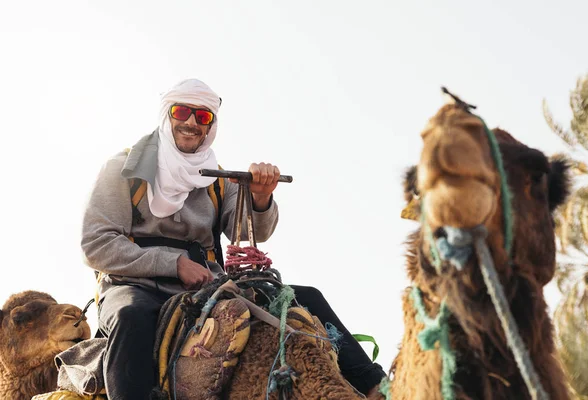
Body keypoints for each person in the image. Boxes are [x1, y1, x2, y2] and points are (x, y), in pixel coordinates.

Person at [81, 78, 385, 400]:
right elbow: (97, 243)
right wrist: (174, 264)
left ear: (210, 125)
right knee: (132, 318)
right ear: (166, 115)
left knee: (306, 297)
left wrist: (261, 197)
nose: (190, 123)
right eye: (182, 111)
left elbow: (250, 232)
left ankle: (376, 386)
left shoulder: (217, 178)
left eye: (203, 117)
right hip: (134, 284)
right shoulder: (123, 169)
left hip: (207, 284)